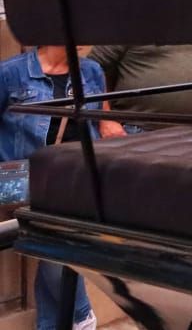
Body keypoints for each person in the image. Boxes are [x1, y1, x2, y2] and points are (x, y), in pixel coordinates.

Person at [0, 46, 123, 330]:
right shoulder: (11, 73)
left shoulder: (91, 72)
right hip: (23, 178)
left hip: (75, 178)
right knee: (58, 246)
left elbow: (99, 120)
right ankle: (82, 317)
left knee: (53, 251)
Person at [89, 44, 192, 132]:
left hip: (187, 132)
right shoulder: (129, 22)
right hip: (135, 129)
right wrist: (105, 120)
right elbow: (90, 68)